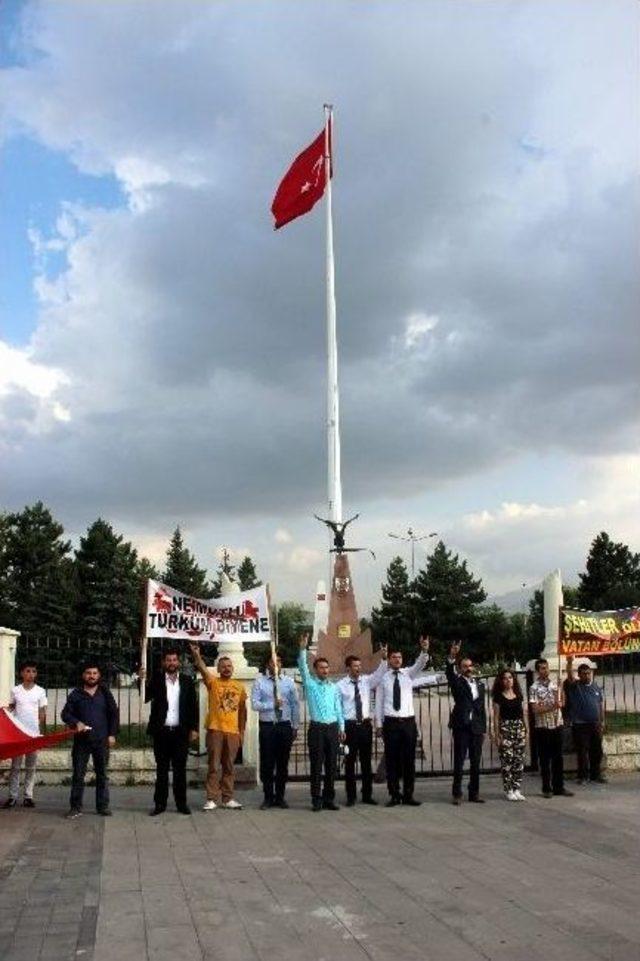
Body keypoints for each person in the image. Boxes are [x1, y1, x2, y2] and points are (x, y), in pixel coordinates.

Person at [375, 636, 432, 807]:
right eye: (394, 657)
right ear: (389, 660)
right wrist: (378, 724)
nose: (397, 660)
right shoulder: (383, 678)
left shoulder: (409, 674)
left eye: (399, 657)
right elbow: (378, 702)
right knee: (392, 760)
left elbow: (420, 664)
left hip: (408, 723)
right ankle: (394, 794)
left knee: (409, 760)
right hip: (391, 723)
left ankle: (409, 795)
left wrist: (424, 650)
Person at [189, 642, 247, 810]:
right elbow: (201, 668)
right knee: (213, 766)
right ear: (219, 669)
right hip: (216, 730)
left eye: (229, 666)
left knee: (229, 766)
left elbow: (243, 712)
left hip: (233, 732)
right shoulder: (213, 683)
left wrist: (241, 732)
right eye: (224, 666)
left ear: (232, 668)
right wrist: (196, 655)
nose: (227, 668)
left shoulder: (239, 687)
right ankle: (211, 799)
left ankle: (228, 798)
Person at [142, 647, 199, 816]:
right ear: (163, 663)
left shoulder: (188, 681)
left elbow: (192, 707)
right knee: (162, 770)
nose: (172, 663)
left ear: (178, 662)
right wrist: (142, 680)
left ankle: (181, 804)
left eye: (174, 660)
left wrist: (194, 728)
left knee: (180, 770)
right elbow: (145, 697)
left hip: (181, 732)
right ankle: (160, 804)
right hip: (162, 732)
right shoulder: (157, 680)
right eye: (169, 660)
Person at [61, 662, 119, 819]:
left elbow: (114, 714)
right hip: (82, 741)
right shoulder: (76, 694)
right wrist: (76, 722)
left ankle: (103, 806)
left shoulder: (105, 693)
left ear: (99, 675)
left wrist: (112, 734)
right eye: (88, 673)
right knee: (78, 775)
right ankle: (75, 807)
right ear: (83, 675)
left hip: (101, 740)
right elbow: (65, 714)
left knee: (102, 774)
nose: (91, 676)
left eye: (94, 673)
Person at [297, 634, 345, 812]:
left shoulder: (333, 687)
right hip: (317, 729)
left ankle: (329, 798)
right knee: (317, 766)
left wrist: (342, 727)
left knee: (332, 766)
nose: (324, 670)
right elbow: (302, 667)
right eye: (321, 668)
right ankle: (316, 799)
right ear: (316, 670)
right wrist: (303, 649)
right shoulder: (310, 684)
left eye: (326, 668)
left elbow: (338, 709)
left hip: (332, 729)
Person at [336, 648, 388, 806]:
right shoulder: (340, 686)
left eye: (359, 665)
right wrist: (341, 728)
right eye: (355, 666)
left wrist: (384, 659)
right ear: (348, 668)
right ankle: (350, 796)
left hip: (365, 726)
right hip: (350, 726)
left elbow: (379, 674)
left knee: (366, 762)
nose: (358, 668)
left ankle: (367, 794)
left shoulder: (366, 681)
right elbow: (338, 708)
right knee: (350, 762)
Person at [251, 649, 300, 809]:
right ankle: (268, 797)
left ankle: (280, 797)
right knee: (267, 763)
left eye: (278, 661)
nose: (276, 664)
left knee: (282, 764)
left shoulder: (289, 682)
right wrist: (272, 704)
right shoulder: (259, 682)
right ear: (267, 664)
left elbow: (294, 705)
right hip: (267, 727)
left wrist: (295, 725)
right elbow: (255, 704)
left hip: (284, 726)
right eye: (273, 662)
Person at [2, 661, 47, 809]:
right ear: (22, 673)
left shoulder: (40, 691)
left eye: (33, 671)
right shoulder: (16, 690)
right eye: (28, 671)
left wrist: (41, 733)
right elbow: (12, 708)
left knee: (31, 767)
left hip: (33, 734)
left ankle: (28, 796)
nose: (31, 674)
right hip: (18, 735)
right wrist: (4, 712)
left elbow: (42, 712)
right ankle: (12, 796)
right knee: (15, 766)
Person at [446, 642, 487, 805]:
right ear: (460, 668)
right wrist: (452, 656)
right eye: (464, 666)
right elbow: (449, 673)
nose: (468, 669)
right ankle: (457, 793)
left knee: (476, 762)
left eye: (470, 666)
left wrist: (483, 728)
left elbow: (482, 708)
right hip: (462, 726)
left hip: (476, 727)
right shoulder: (457, 682)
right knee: (459, 761)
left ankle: (474, 792)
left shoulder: (480, 684)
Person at [528, 658, 573, 799]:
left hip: (556, 724)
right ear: (537, 671)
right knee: (545, 758)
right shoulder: (534, 688)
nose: (545, 670)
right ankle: (546, 787)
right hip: (543, 726)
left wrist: (561, 690)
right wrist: (551, 706)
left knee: (558, 758)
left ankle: (559, 786)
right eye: (541, 668)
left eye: (546, 668)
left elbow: (562, 703)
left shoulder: (554, 684)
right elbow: (535, 709)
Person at [564, 656, 606, 785]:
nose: (587, 676)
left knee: (597, 751)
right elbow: (570, 676)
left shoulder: (596, 688)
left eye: (588, 673)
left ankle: (595, 774)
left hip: (595, 724)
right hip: (580, 725)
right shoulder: (575, 686)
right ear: (579, 675)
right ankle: (582, 776)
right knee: (582, 751)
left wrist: (602, 721)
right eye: (584, 674)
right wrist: (570, 662)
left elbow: (600, 705)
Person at [491, 668, 527, 801]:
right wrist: (496, 734)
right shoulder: (498, 697)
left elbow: (523, 714)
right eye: (505, 678)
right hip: (505, 728)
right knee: (507, 761)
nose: (508, 680)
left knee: (519, 760)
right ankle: (509, 789)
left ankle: (517, 788)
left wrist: (526, 730)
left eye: (510, 678)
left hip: (519, 728)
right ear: (501, 681)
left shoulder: (519, 695)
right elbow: (495, 717)